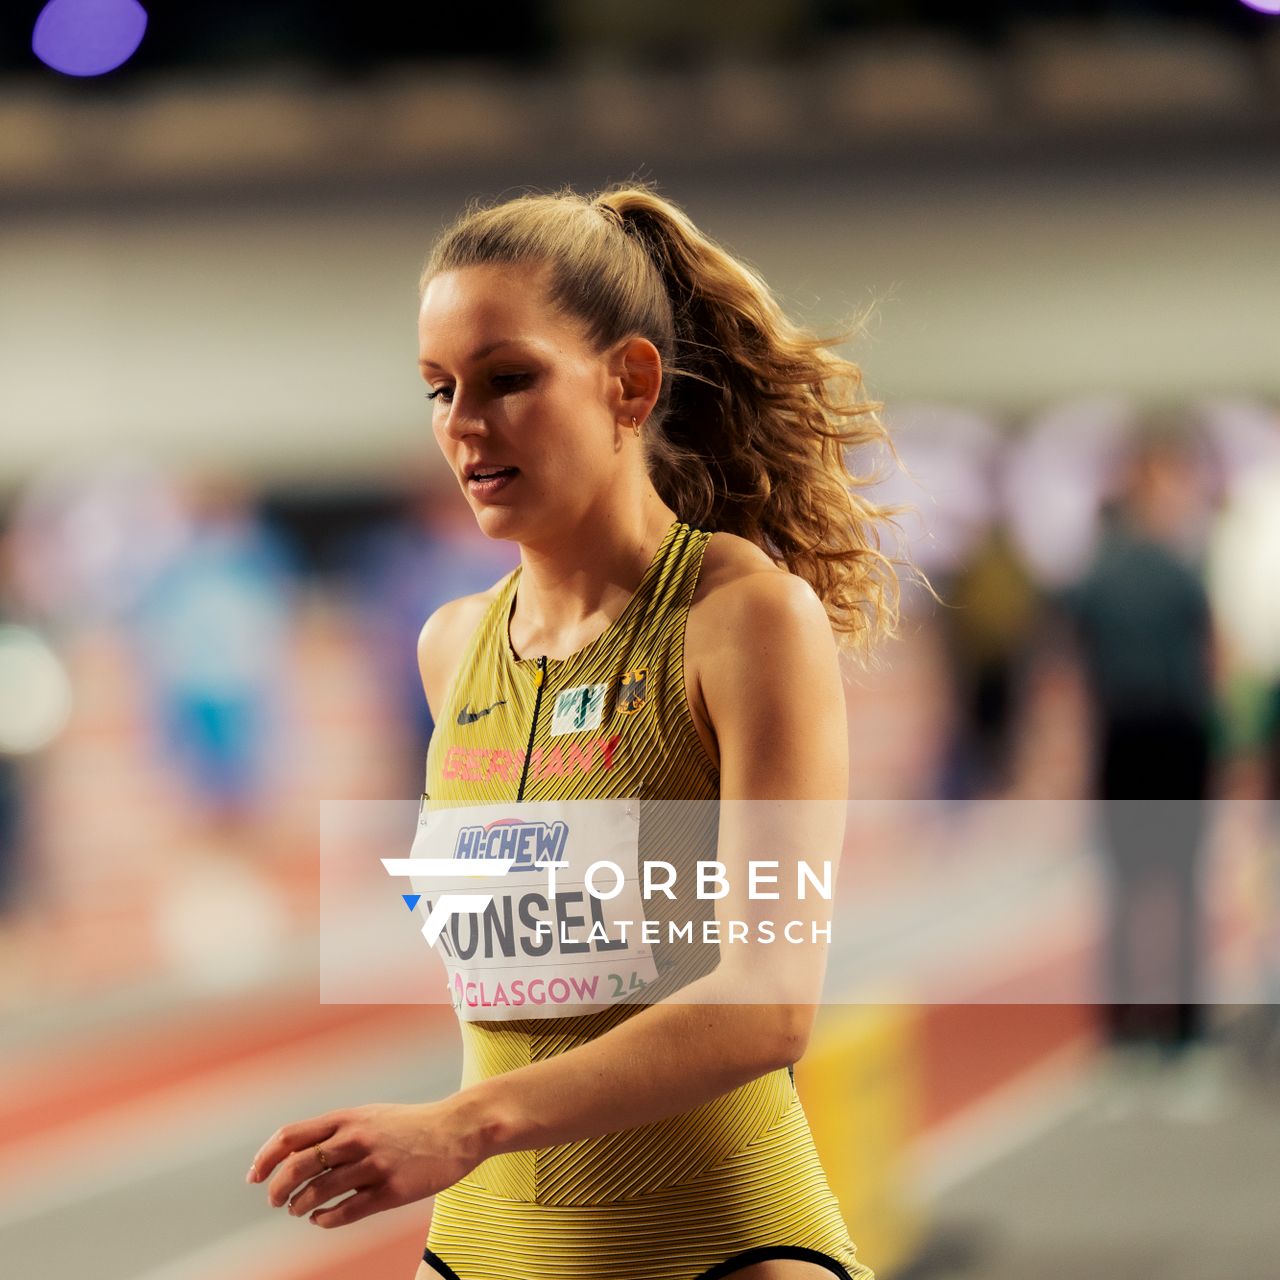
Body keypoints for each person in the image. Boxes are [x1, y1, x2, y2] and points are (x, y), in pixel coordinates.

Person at [246, 182, 911, 1279]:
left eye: (509, 379)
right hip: (487, 1251)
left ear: (629, 382)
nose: (463, 424)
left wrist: (461, 1124)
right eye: (438, 388)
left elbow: (768, 1002)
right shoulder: (450, 648)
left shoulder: (743, 619)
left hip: (717, 1244)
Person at [1058, 427, 1221, 1095]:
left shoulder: (1169, 567)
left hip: (1169, 741)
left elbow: (1211, 654)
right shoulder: (1121, 571)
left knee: (1172, 891)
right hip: (1137, 741)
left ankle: (1167, 1035)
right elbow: (1070, 667)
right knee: (1138, 892)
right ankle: (1137, 1036)